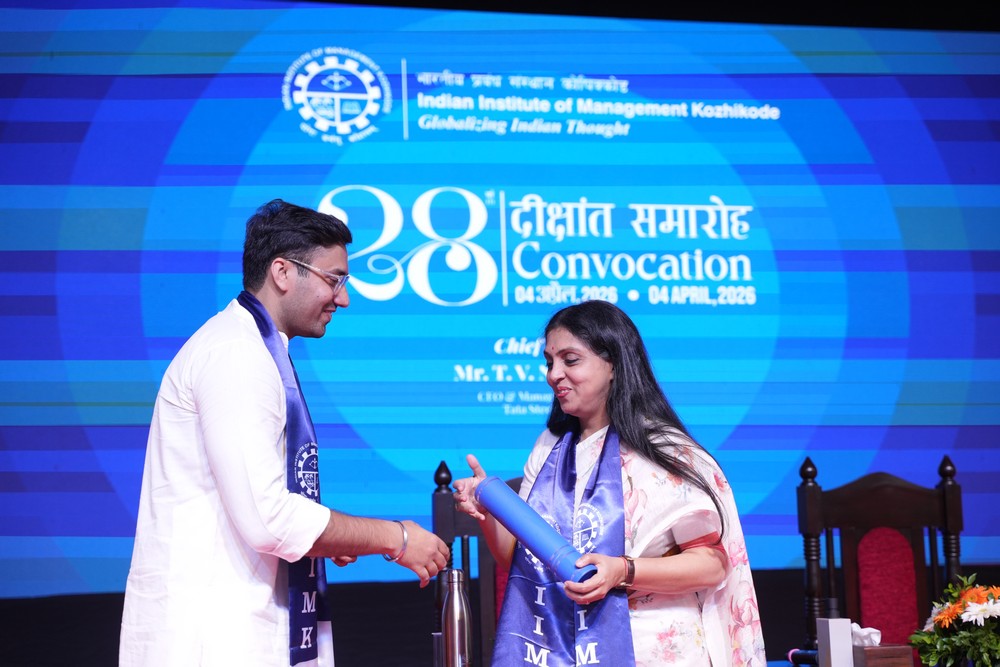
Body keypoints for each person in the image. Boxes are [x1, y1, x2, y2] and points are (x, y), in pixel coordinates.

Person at [120, 199, 449, 667]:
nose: (343, 299)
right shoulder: (236, 355)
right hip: (213, 638)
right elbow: (269, 519)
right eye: (334, 279)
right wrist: (394, 537)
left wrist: (333, 538)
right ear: (282, 272)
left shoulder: (254, 348)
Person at [453, 300, 766, 667]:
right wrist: (487, 510)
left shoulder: (666, 450)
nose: (554, 374)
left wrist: (623, 571)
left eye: (570, 360)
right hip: (561, 646)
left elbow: (711, 565)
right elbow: (520, 559)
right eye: (549, 362)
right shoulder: (549, 447)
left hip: (650, 650)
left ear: (614, 363)